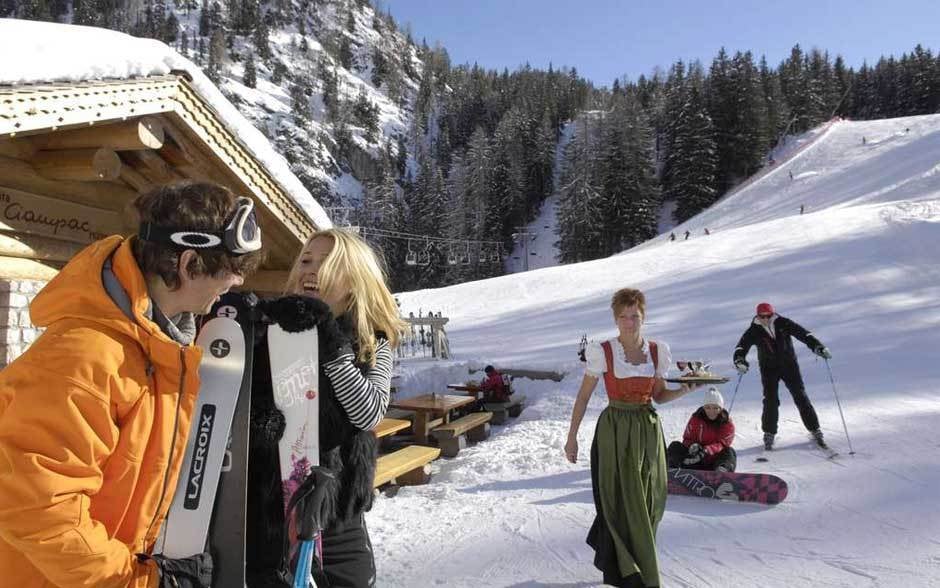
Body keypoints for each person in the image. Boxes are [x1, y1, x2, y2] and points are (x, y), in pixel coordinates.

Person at [0, 182, 264, 587]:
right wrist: (138, 580)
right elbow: (38, 508)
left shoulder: (163, 346)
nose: (237, 280)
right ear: (189, 263)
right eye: (230, 268)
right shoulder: (86, 358)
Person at [246, 228, 406, 588]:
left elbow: (368, 413)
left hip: (337, 522)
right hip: (272, 515)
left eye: (328, 263)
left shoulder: (372, 341)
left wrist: (330, 340)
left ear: (354, 282)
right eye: (306, 260)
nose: (311, 270)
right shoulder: (271, 332)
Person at [565, 288, 699, 588]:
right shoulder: (604, 352)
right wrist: (571, 438)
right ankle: (635, 574)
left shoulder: (657, 351)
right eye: (623, 317)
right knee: (621, 502)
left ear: (643, 317)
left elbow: (659, 396)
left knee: (652, 499)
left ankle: (634, 561)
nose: (629, 322)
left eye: (634, 316)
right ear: (615, 319)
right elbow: (583, 397)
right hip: (615, 431)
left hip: (647, 430)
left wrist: (685, 389)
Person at [733, 302, 831, 451]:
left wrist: (818, 347)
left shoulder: (783, 323)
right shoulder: (754, 330)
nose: (765, 319)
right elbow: (741, 347)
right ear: (757, 316)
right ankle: (769, 433)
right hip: (768, 369)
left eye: (768, 316)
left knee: (800, 396)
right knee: (770, 400)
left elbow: (804, 334)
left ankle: (815, 429)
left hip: (789, 366)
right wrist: (740, 361)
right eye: (762, 316)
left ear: (772, 314)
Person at [667, 388, 736, 472]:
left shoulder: (727, 423)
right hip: (695, 461)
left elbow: (722, 444)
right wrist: (693, 446)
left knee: (729, 452)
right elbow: (688, 438)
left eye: (715, 408)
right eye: (708, 407)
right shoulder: (696, 419)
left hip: (714, 462)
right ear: (703, 408)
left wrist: (706, 450)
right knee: (675, 446)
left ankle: (721, 472)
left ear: (720, 409)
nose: (711, 411)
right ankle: (673, 471)